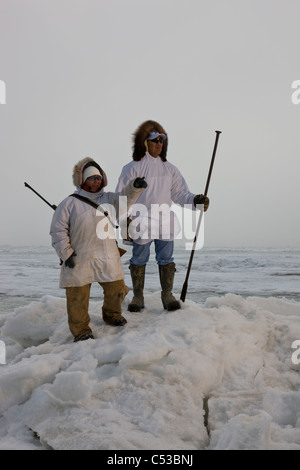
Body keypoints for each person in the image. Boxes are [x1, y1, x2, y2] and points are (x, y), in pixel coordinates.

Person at [115, 120, 209, 313]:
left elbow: (180, 193)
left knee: (166, 259)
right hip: (140, 221)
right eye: (155, 140)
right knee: (138, 260)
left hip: (165, 221)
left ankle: (167, 295)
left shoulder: (170, 169)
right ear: (145, 142)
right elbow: (121, 196)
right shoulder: (132, 168)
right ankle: (138, 296)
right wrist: (125, 221)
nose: (159, 143)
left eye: (162, 140)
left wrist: (196, 200)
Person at [50, 157, 147, 342]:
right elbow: (57, 230)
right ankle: (81, 330)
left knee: (117, 288)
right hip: (79, 256)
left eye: (98, 177)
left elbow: (125, 199)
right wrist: (66, 253)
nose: (96, 181)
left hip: (107, 254)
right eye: (92, 178)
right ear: (83, 180)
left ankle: (112, 315)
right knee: (77, 297)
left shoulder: (110, 199)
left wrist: (135, 186)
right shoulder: (69, 203)